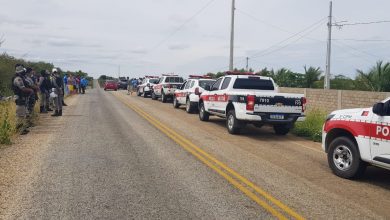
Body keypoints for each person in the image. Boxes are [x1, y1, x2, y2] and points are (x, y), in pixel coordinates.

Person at [12, 64, 33, 135]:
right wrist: (30, 90)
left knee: (22, 114)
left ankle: (22, 128)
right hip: (19, 98)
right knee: (20, 115)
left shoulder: (21, 78)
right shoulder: (18, 79)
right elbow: (23, 88)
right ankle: (20, 130)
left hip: (22, 98)